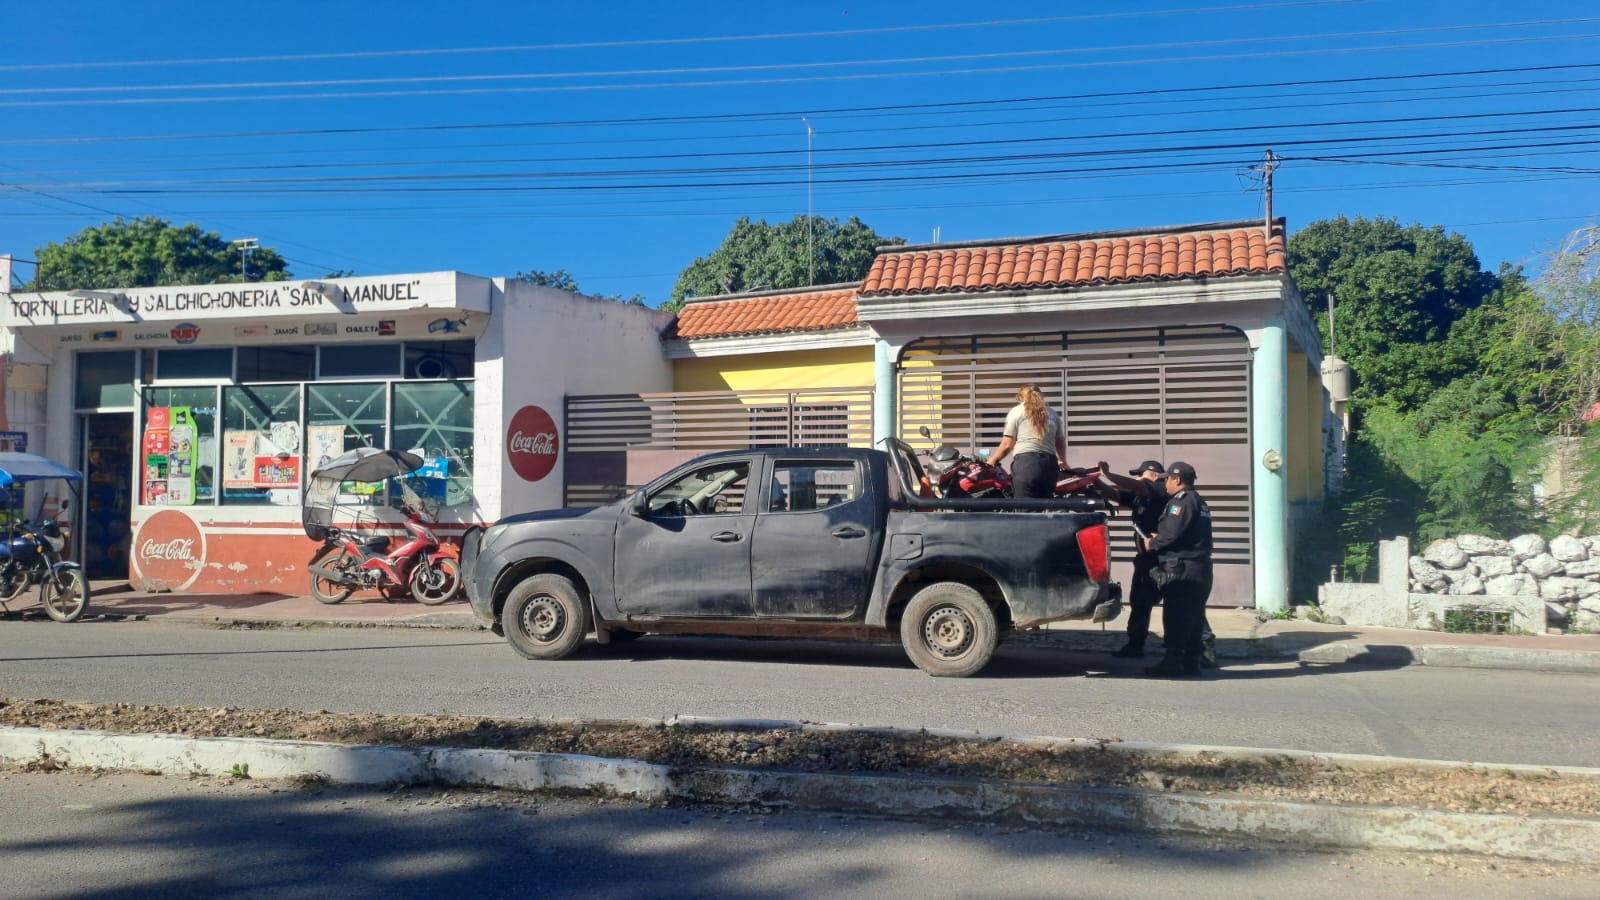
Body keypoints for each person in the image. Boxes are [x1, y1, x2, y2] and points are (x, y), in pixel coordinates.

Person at [1098, 460, 1218, 664]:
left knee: (1183, 607)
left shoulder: (1163, 493)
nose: (1137, 478)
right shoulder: (1142, 497)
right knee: (1140, 603)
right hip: (1148, 559)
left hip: (1167, 560)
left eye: (1141, 474)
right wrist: (1095, 482)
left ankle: (1200, 651)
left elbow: (1137, 486)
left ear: (1156, 477)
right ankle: (1136, 644)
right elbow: (1116, 495)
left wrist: (1108, 475)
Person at [1142, 461, 1214, 677]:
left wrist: (1153, 543)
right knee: (1194, 618)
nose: (1165, 484)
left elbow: (1172, 534)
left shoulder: (1181, 502)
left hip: (1182, 568)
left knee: (1176, 617)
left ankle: (1172, 663)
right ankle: (1191, 663)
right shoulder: (1199, 501)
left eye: (1167, 479)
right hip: (1200, 568)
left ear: (1177, 479)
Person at [987, 384, 1068, 499]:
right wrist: (1063, 461)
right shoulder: (1053, 414)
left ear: (1020, 397)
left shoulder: (1016, 412)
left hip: (1026, 465)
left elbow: (1007, 445)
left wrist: (992, 461)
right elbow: (1060, 443)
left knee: (1026, 512)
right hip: (1050, 466)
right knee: (1046, 510)